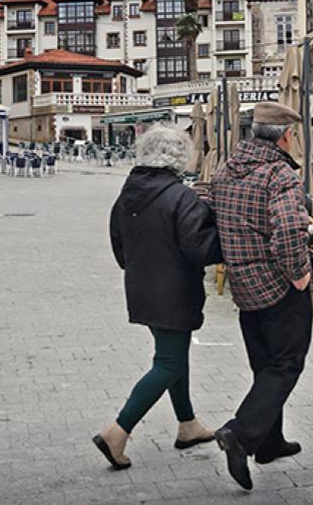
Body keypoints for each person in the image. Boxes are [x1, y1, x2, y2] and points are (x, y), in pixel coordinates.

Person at [93, 124, 223, 470]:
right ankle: (118, 431)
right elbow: (201, 249)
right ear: (178, 157)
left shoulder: (127, 195)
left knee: (172, 355)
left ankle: (188, 425)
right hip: (175, 291)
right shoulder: (181, 197)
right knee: (169, 362)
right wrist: (216, 224)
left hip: (142, 288)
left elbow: (119, 247)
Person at [208, 102, 311, 490]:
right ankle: (242, 433)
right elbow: (288, 232)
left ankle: (270, 442)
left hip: (243, 287)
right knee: (286, 365)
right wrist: (299, 274)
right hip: (279, 286)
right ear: (285, 135)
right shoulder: (279, 175)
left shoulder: (225, 172)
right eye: (295, 134)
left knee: (264, 365)